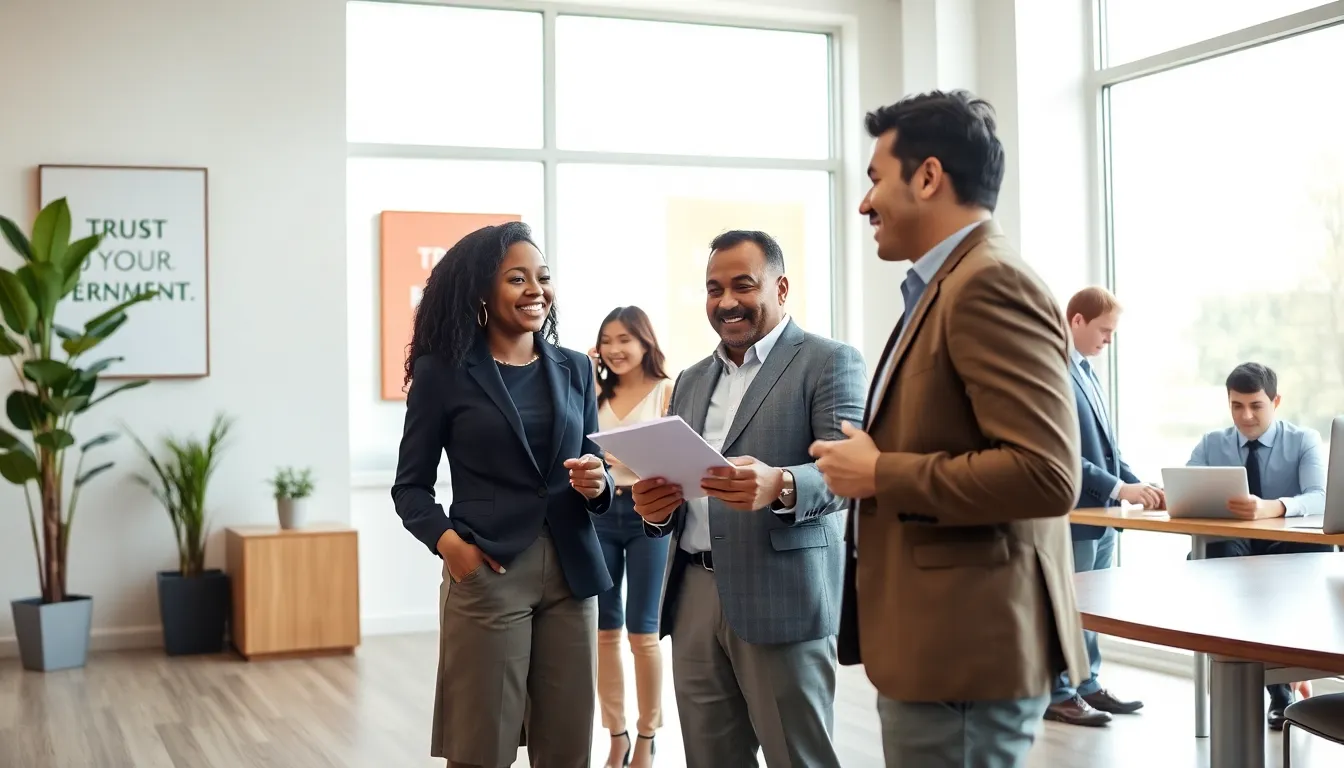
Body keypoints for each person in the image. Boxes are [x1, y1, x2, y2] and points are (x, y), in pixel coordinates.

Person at [809, 90, 1089, 768]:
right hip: (940, 647)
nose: (864, 203)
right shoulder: (950, 284)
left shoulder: (988, 283)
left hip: (966, 653)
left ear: (928, 177)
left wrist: (879, 473)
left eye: (875, 178)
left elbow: (1046, 474)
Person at [629, 230, 866, 768]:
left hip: (782, 596)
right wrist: (657, 508)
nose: (727, 302)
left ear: (780, 288)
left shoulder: (829, 362)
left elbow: (849, 476)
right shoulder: (690, 379)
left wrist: (781, 484)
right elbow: (682, 482)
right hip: (692, 595)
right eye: (714, 289)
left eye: (743, 285)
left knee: (798, 758)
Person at [391, 221, 614, 768]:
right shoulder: (442, 373)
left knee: (567, 751)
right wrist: (452, 548)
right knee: (480, 748)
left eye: (542, 277)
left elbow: (596, 465)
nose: (535, 289)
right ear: (482, 292)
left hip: (573, 573)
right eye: (517, 278)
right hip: (489, 572)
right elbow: (410, 488)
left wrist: (598, 482)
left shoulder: (577, 368)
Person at [1186, 361, 1331, 729]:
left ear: (1276, 401)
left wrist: (1275, 507)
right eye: (1237, 405)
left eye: (1256, 405)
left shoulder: (1303, 440)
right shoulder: (1211, 444)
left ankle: (1277, 690)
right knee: (1213, 563)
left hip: (1285, 549)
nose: (1246, 415)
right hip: (1234, 550)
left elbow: (1320, 497)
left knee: (1279, 580)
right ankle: (1260, 687)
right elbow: (1184, 492)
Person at [1045, 286, 1156, 726]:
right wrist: (1117, 490)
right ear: (1076, 322)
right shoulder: (1054, 371)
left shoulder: (1086, 372)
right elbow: (1062, 451)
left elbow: (1106, 449)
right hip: (1073, 515)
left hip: (1101, 515)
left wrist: (1135, 484)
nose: (1108, 340)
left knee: (1092, 609)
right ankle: (1061, 693)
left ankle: (1088, 684)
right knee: (1068, 607)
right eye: (1104, 331)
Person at [590, 306, 675, 768]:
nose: (616, 349)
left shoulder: (668, 390)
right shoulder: (594, 392)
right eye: (607, 340)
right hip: (601, 512)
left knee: (644, 632)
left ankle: (648, 733)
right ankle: (616, 733)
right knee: (605, 631)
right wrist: (585, 373)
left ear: (645, 341)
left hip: (650, 514)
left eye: (625, 338)